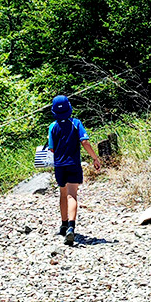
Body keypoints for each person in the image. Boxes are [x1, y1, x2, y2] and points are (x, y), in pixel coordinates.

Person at [47, 95, 101, 245]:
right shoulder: (76, 123)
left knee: (63, 195)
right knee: (72, 196)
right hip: (73, 164)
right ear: (69, 108)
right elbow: (84, 142)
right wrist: (95, 158)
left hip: (59, 165)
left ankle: (63, 225)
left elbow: (51, 148)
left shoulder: (52, 127)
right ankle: (71, 227)